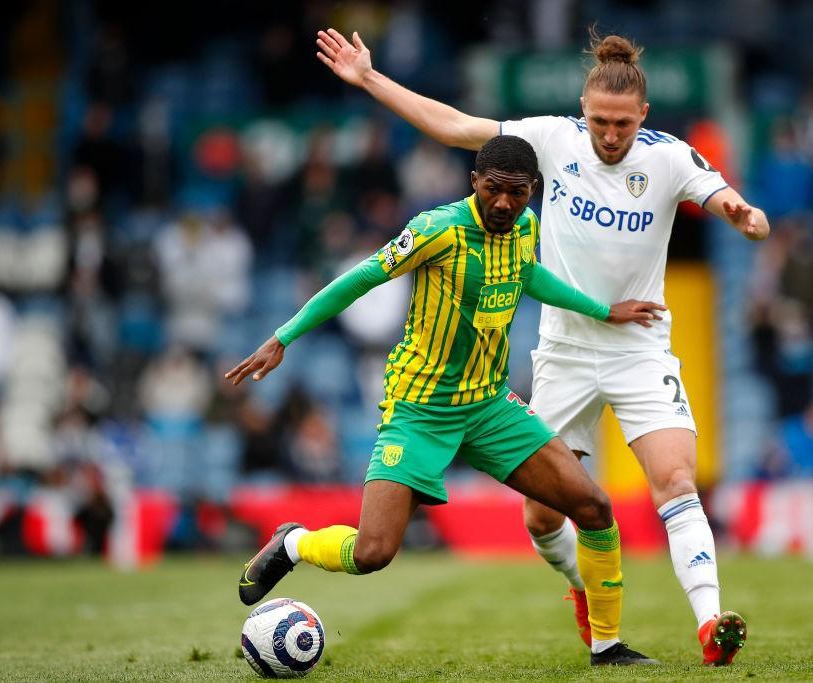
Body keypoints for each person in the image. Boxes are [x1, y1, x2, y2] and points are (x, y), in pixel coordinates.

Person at [316, 28, 770, 666]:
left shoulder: (670, 157)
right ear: (583, 113)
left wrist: (745, 215)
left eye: (622, 123)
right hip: (562, 352)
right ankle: (582, 591)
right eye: (599, 121)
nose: (610, 134)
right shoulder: (553, 140)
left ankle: (710, 622)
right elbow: (454, 127)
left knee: (675, 481)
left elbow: (725, 198)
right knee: (541, 518)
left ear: (643, 115)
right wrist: (369, 78)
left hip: (638, 346)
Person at [228, 135, 665, 666]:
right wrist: (284, 336)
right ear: (474, 183)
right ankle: (295, 543)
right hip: (420, 409)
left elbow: (530, 277)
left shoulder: (525, 227)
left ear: (532, 192)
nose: (505, 203)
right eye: (494, 190)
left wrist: (602, 310)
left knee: (593, 506)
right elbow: (360, 279)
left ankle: (607, 646)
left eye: (518, 192)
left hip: (489, 406)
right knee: (372, 553)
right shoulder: (437, 229)